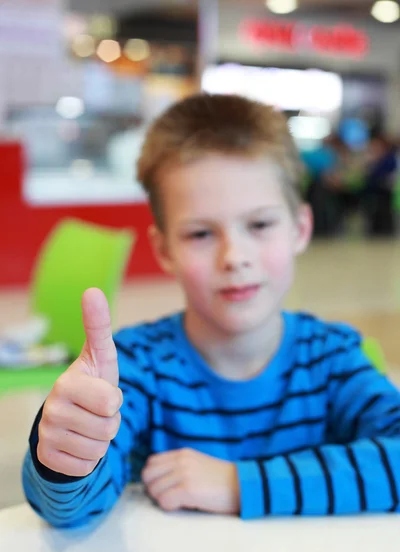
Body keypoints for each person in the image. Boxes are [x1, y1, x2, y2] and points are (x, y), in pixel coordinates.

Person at [22, 94, 400, 529]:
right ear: (164, 251)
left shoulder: (332, 358)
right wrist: (65, 457)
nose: (234, 256)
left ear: (300, 229)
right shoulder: (137, 369)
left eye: (259, 225)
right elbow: (68, 511)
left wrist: (239, 484)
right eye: (201, 233)